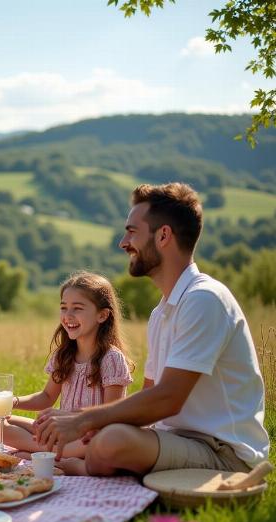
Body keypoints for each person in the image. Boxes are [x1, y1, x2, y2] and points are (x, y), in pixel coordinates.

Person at [35, 183, 270, 476]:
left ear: (163, 236)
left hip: (222, 452)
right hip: (173, 439)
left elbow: (168, 397)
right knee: (107, 434)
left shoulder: (204, 299)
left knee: (110, 440)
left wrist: (83, 421)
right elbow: (149, 393)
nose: (123, 242)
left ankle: (86, 468)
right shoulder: (162, 312)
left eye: (132, 231)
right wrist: (96, 423)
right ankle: (94, 462)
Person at [0, 272, 133, 473]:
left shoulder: (111, 359)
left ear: (102, 315)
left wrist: (69, 418)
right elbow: (47, 397)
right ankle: (51, 454)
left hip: (91, 436)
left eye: (78, 309)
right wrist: (14, 402)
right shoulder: (64, 355)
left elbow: (110, 416)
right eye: (64, 308)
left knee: (100, 442)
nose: (68, 316)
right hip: (61, 432)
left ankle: (41, 454)